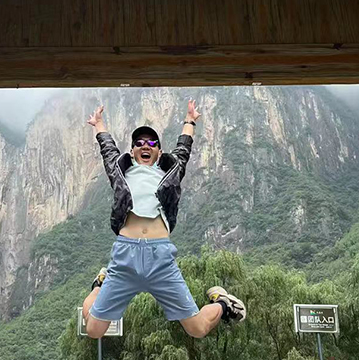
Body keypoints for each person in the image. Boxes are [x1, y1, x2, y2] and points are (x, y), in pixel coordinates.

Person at [80, 99, 246, 339]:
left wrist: (190, 121)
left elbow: (183, 150)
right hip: (125, 257)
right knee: (93, 330)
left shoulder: (170, 172)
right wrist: (98, 124)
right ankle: (99, 286)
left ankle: (223, 303)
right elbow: (108, 149)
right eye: (139, 143)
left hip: (160, 259)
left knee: (198, 329)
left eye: (151, 143)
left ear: (159, 152)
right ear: (132, 151)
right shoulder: (121, 171)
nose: (145, 146)